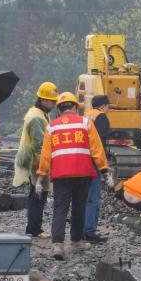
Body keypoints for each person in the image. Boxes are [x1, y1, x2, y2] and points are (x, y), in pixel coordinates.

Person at [35, 92, 110, 260]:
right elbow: (97, 150)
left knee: (60, 208)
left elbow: (45, 155)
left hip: (61, 175)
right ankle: (76, 241)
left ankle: (57, 245)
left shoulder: (52, 127)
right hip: (83, 173)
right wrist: (104, 170)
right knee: (79, 207)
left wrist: (40, 178)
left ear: (60, 109)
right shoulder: (86, 123)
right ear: (75, 107)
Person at [14, 82, 59, 239]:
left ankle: (33, 227)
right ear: (43, 100)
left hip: (37, 160)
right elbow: (39, 144)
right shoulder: (36, 118)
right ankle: (34, 229)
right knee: (38, 195)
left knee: (37, 194)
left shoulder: (39, 114)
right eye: (52, 101)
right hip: (37, 162)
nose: (54, 104)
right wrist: (44, 166)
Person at [82, 95, 110, 242]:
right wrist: (103, 166)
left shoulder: (85, 116)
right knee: (93, 199)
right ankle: (89, 232)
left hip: (81, 161)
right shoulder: (102, 118)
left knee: (82, 197)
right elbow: (99, 144)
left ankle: (80, 229)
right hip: (93, 163)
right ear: (104, 106)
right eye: (108, 107)